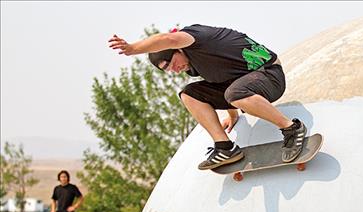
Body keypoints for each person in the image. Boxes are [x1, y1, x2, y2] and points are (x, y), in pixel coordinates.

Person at [108, 24, 307, 170]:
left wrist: (133, 49)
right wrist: (233, 115)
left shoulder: (196, 38)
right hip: (244, 84)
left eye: (171, 63)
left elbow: (168, 39)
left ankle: (292, 128)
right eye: (167, 70)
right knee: (189, 94)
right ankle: (225, 147)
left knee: (234, 93)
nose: (174, 70)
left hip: (270, 74)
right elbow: (222, 81)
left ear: (178, 49)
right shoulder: (194, 66)